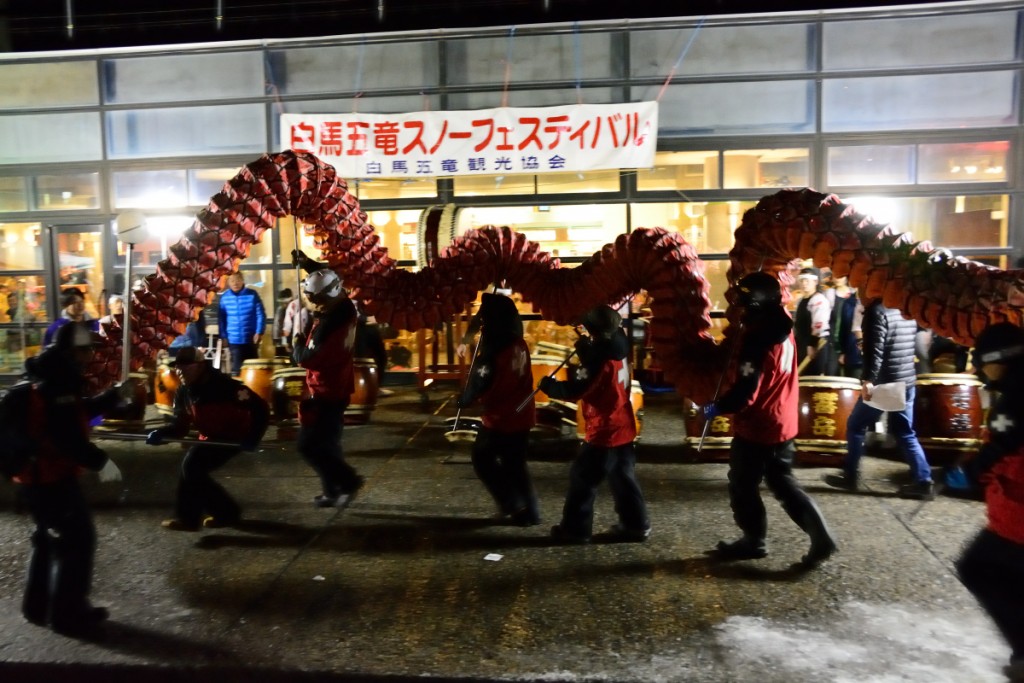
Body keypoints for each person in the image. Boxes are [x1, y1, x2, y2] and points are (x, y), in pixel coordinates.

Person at [702, 272, 836, 567]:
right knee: (783, 483)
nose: (739, 306)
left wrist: (717, 407)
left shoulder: (758, 340)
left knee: (742, 483)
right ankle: (820, 537)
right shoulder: (781, 323)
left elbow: (747, 392)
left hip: (759, 425)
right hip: (782, 419)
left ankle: (754, 540)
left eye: (744, 301)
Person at [11, 322, 127, 635]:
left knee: (48, 539)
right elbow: (65, 435)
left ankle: (37, 606)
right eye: (87, 348)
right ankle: (68, 613)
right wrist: (100, 461)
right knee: (78, 539)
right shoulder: (60, 381)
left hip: (33, 476)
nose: (91, 354)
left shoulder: (49, 372)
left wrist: (111, 398)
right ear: (73, 351)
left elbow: (73, 412)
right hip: (51, 476)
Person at [541, 305, 650, 543]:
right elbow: (601, 358)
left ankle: (575, 530)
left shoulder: (599, 360)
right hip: (623, 424)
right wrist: (586, 350)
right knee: (623, 478)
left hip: (604, 429)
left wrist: (551, 387)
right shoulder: (618, 344)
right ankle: (636, 525)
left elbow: (578, 388)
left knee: (583, 478)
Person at [954, 323, 1024, 682]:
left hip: (1019, 517)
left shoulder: (1016, 396)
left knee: (978, 566)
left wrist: (965, 475)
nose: (979, 370)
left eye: (982, 362)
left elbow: (1000, 448)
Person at [824, 294, 934, 500]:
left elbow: (876, 351)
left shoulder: (877, 311)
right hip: (906, 378)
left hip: (887, 382)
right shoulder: (903, 305)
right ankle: (923, 481)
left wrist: (868, 380)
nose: (859, 295)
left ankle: (850, 475)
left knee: (856, 425)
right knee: (904, 431)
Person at [146, 346, 269, 531]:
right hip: (210, 436)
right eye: (178, 367)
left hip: (234, 436)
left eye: (186, 366)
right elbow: (181, 427)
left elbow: (260, 409)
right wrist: (162, 433)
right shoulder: (183, 392)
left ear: (201, 366)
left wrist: (253, 436)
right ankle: (213, 515)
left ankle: (217, 514)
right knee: (191, 469)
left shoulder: (227, 387)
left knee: (192, 467)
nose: (180, 371)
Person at [457, 293, 539, 526]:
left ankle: (511, 503)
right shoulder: (517, 342)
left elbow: (482, 381)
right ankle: (529, 511)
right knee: (516, 464)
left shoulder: (495, 350)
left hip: (501, 416)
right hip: (522, 412)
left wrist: (466, 398)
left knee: (482, 457)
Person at [292, 268, 365, 508]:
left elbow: (311, 358)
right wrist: (308, 263)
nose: (313, 303)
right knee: (327, 445)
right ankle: (332, 491)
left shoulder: (329, 325)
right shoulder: (345, 309)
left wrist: (297, 346)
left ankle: (348, 481)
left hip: (327, 390)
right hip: (338, 386)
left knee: (309, 445)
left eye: (315, 298)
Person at [217, 272, 266, 376]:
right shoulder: (224, 298)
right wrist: (223, 336)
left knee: (253, 369)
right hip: (234, 340)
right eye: (232, 280)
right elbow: (221, 319)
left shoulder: (252, 295)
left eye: (238, 280)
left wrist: (259, 332)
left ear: (243, 280)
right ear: (228, 282)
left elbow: (260, 314)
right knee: (237, 370)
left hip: (251, 338)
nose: (235, 283)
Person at [793, 267, 835, 376]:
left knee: (813, 378)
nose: (804, 283)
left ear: (815, 281)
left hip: (816, 345)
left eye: (807, 280)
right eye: (802, 280)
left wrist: (812, 345)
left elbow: (819, 325)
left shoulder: (818, 300)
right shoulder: (801, 301)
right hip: (802, 344)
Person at [830, 276, 862, 379]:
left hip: (871, 355)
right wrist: (842, 351)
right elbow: (842, 330)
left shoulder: (873, 303)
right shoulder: (848, 302)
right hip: (852, 353)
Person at [280, 290, 313, 355]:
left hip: (297, 342)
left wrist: (286, 343)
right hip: (309, 341)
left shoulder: (293, 305)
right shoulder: (313, 304)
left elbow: (286, 330)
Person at [273, 288, 294, 355]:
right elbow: (279, 326)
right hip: (283, 342)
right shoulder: (281, 311)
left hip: (286, 341)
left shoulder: (282, 310)